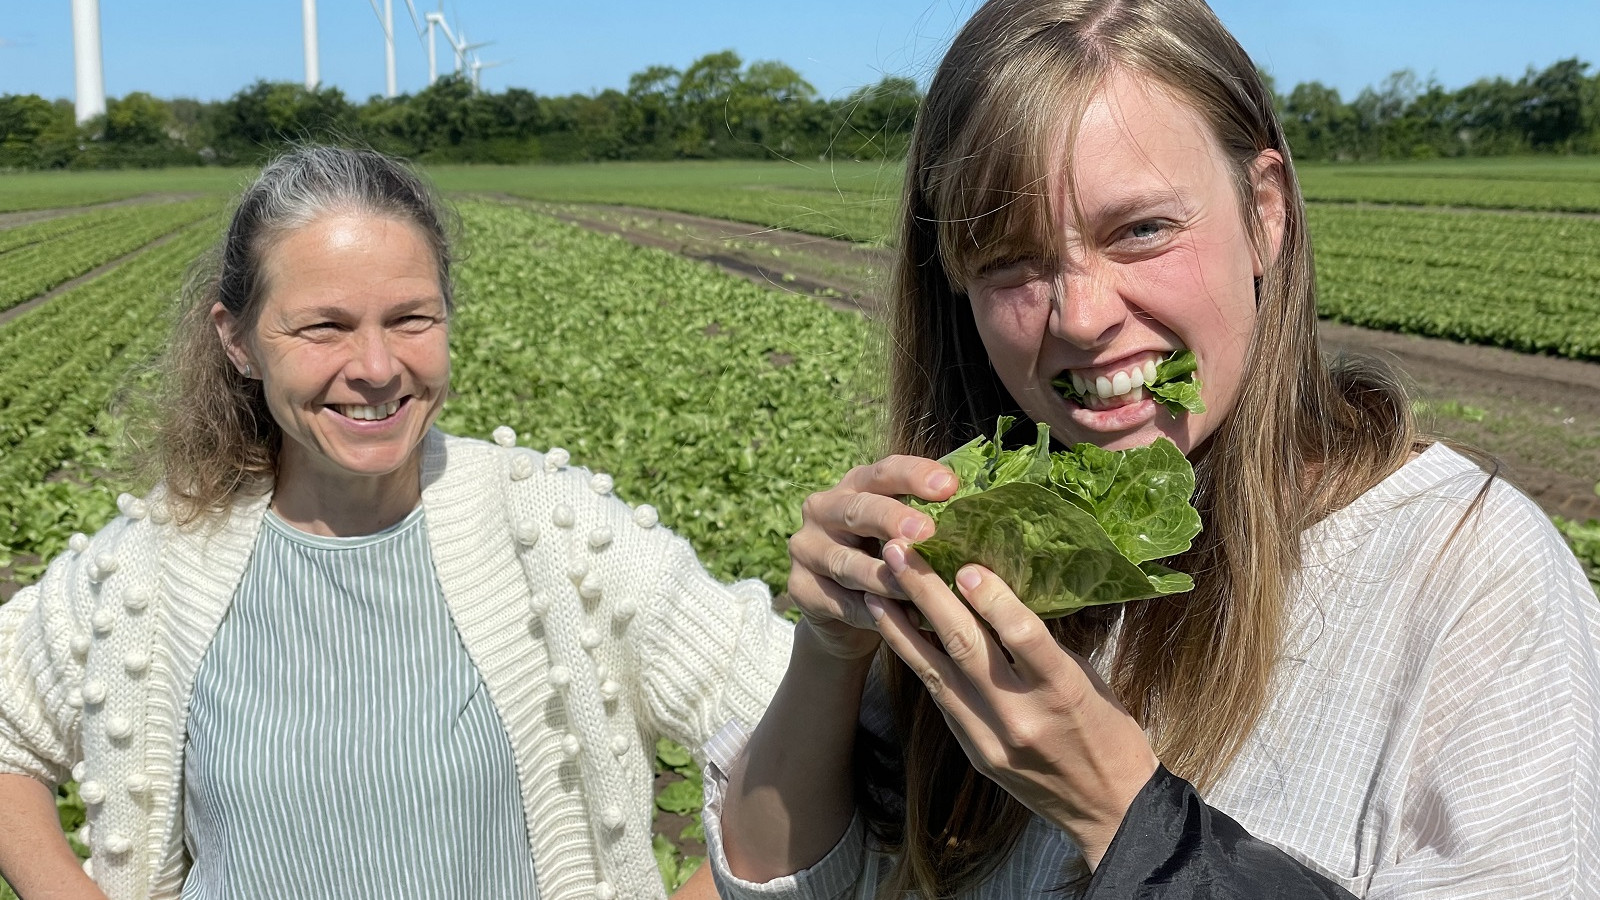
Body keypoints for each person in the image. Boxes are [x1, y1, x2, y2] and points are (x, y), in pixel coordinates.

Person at [706, 0, 1600, 897]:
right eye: (1010, 260)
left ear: (1265, 213)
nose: (1083, 318)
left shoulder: (1471, 576)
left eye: (1140, 230)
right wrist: (829, 652)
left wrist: (1125, 818)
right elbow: (776, 881)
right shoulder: (992, 540)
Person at [0, 146, 792, 900]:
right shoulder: (159, 562)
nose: (377, 367)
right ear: (238, 341)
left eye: (412, 318)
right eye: (324, 326)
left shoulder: (555, 535)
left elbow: (802, 714)